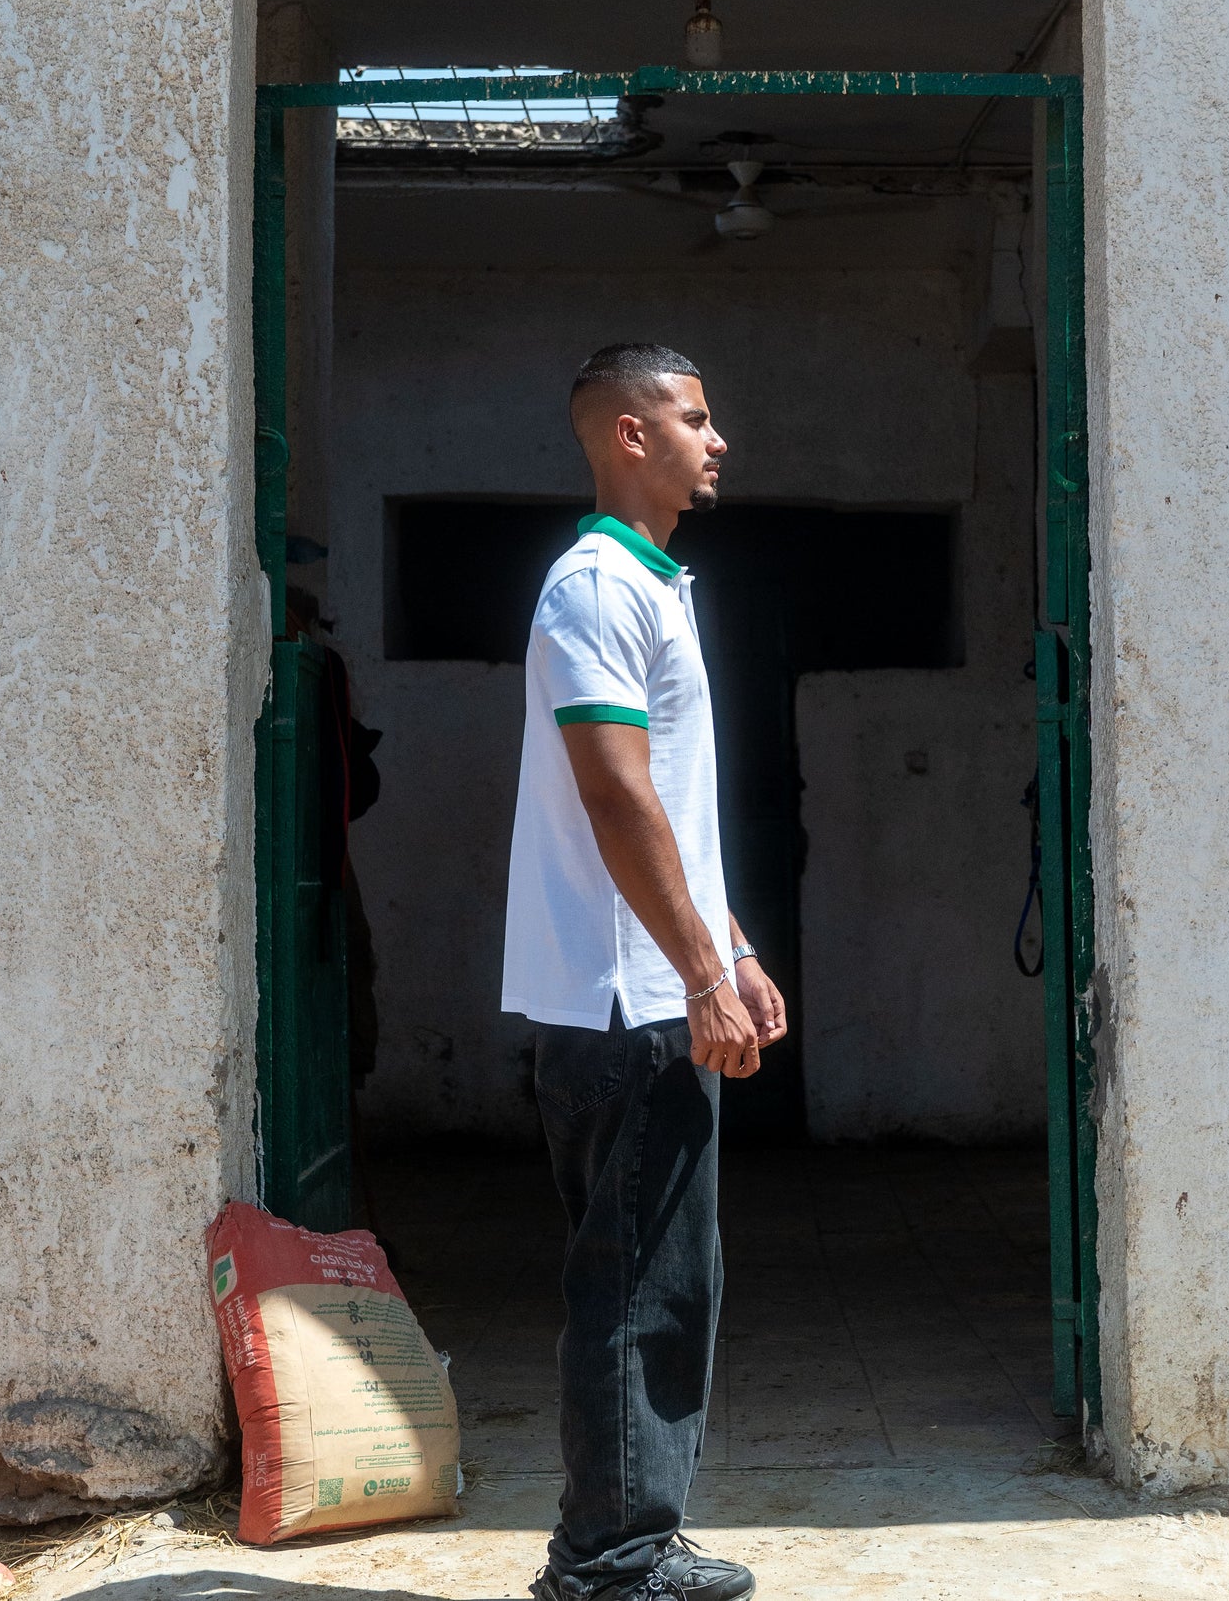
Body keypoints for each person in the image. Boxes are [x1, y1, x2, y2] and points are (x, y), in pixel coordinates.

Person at [503, 343, 788, 1601]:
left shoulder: (651, 584)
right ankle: (608, 1559)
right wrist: (696, 975)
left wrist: (731, 948)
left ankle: (628, 1542)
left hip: (651, 984)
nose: (715, 439)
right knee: (636, 1284)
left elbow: (668, 805)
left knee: (667, 1278)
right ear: (628, 433)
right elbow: (616, 797)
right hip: (622, 1001)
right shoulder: (594, 587)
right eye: (694, 416)